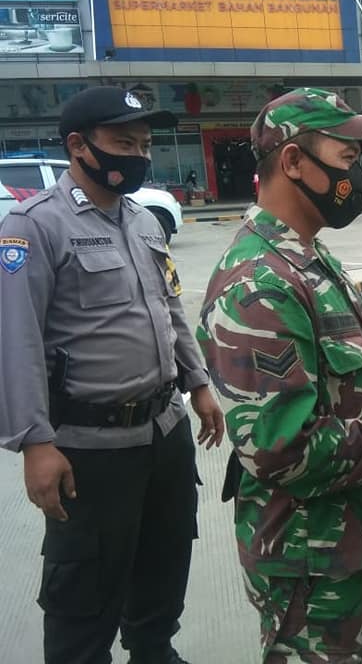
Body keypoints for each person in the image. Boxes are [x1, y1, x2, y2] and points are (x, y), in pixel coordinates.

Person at [196, 87, 362, 663]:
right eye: (345, 160)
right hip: (306, 564)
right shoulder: (259, 286)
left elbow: (348, 372)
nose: (356, 177)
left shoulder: (308, 258)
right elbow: (281, 449)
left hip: (346, 543)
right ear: (293, 162)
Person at [0, 86, 225, 664]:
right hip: (89, 453)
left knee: (163, 565)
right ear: (78, 145)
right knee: (85, 599)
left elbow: (170, 308)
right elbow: (14, 339)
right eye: (124, 142)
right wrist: (34, 442)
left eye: (145, 144)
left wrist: (198, 384)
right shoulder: (33, 227)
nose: (138, 155)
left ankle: (155, 651)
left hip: (162, 434)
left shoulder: (145, 221)